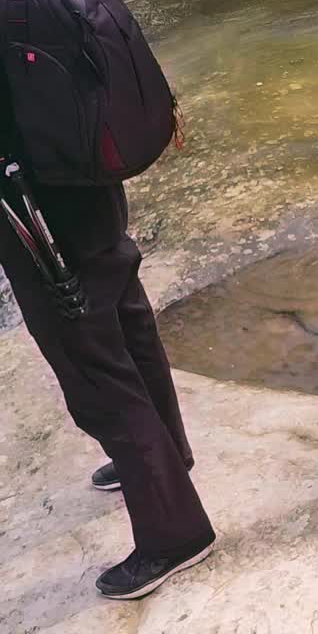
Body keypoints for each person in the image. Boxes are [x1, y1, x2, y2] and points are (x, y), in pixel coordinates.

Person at [0, 87, 216, 599]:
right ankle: (168, 456)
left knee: (89, 362)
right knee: (124, 309)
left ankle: (175, 533)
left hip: (27, 194)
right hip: (85, 164)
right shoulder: (32, 0)